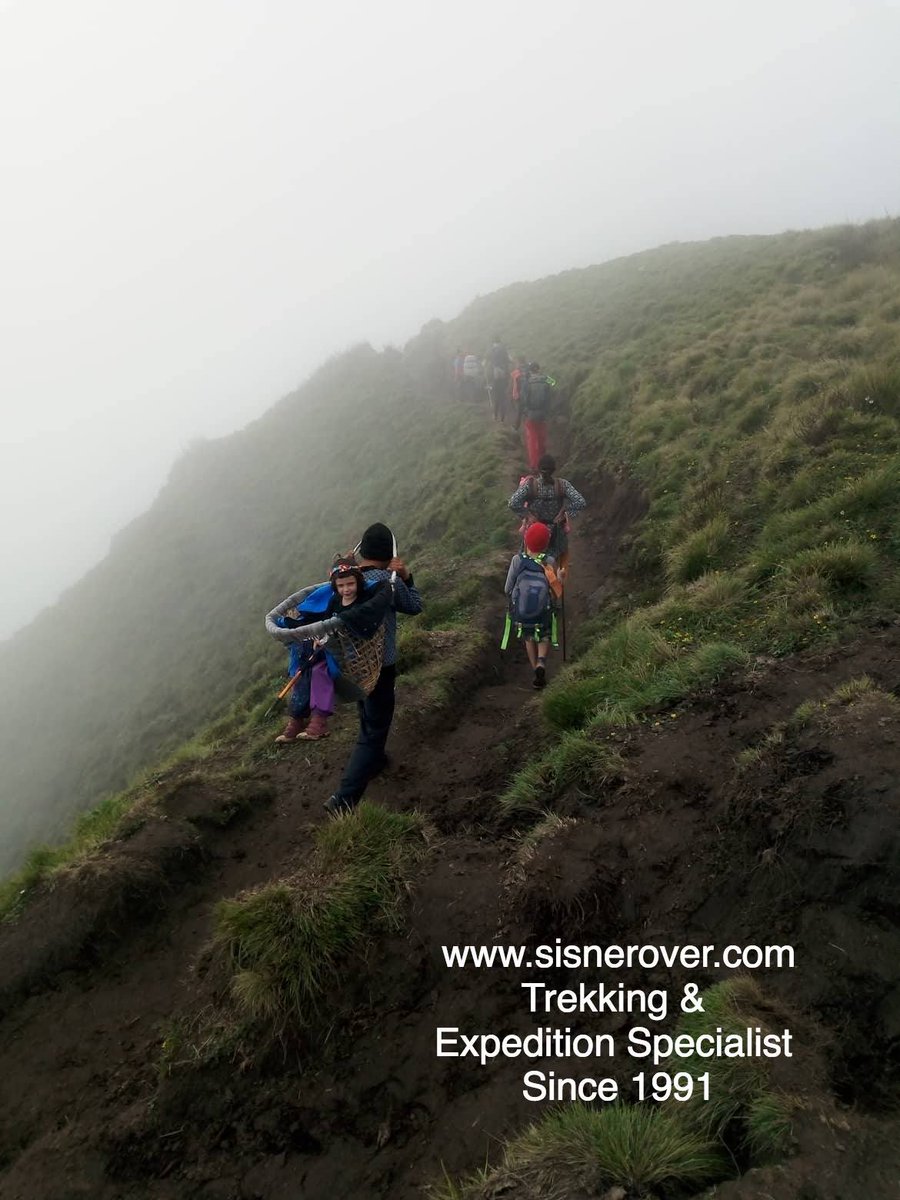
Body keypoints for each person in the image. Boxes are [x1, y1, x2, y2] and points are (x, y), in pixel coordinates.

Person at [327, 522, 422, 814]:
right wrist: (406, 576)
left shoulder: (348, 581)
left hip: (353, 664)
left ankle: (376, 761)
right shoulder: (388, 581)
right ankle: (344, 800)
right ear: (389, 554)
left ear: (363, 552)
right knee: (375, 729)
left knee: (367, 715)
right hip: (381, 666)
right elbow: (415, 605)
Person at [269, 557, 374, 743]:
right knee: (303, 672)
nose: (346, 589)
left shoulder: (363, 599)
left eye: (350, 584)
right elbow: (325, 620)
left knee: (319, 671)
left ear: (358, 582)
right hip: (326, 646)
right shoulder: (334, 600)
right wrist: (319, 638)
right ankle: (297, 718)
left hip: (349, 650)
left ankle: (319, 720)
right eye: (341, 586)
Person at [508, 454, 586, 578]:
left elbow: (513, 503)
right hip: (556, 536)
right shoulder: (562, 485)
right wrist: (565, 512)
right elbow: (580, 502)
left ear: (538, 469)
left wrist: (527, 515)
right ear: (554, 470)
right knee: (555, 569)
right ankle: (554, 585)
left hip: (534, 535)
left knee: (528, 563)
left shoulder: (530, 485)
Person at [503, 522, 561, 689]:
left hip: (522, 614)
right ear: (546, 543)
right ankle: (541, 663)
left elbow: (507, 589)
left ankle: (534, 667)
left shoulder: (517, 560)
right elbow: (555, 590)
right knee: (544, 636)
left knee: (529, 638)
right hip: (543, 612)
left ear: (526, 540)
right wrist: (560, 579)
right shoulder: (549, 561)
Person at [518, 362, 556, 470]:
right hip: (543, 415)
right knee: (541, 439)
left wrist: (525, 412)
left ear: (530, 371)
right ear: (539, 369)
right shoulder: (545, 379)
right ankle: (543, 462)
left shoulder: (527, 381)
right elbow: (554, 383)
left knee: (532, 440)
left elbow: (523, 399)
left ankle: (534, 465)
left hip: (531, 415)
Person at [489, 336, 511, 421]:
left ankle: (495, 415)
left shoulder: (492, 350)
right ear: (500, 341)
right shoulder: (504, 349)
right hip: (504, 375)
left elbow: (489, 362)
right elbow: (508, 359)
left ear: (494, 342)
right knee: (503, 397)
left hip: (495, 376)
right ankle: (503, 417)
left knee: (496, 397)